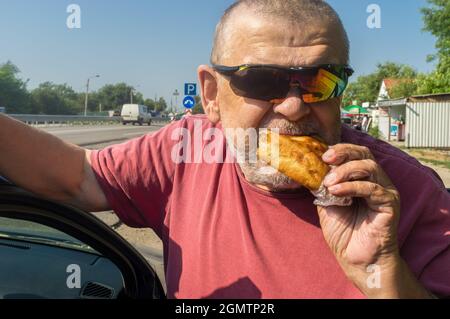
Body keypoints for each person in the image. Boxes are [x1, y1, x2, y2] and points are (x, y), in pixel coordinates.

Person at [0, 0, 449, 299]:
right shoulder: (185, 150)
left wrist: (382, 272)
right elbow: (76, 177)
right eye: (261, 81)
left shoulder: (406, 192)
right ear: (211, 95)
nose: (293, 107)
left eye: (320, 81)